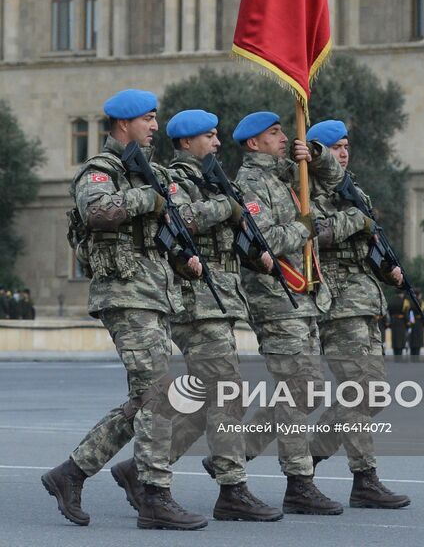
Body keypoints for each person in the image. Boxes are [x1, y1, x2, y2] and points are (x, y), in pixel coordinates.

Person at [42, 89, 208, 531]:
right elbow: (97, 213)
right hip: (124, 295)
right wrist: (146, 200)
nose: (155, 127)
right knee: (159, 395)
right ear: (123, 124)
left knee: (145, 399)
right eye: (149, 119)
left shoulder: (148, 173)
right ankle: (155, 496)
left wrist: (183, 259)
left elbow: (166, 227)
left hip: (153, 295)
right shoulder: (100, 171)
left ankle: (71, 473)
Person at [111, 108, 281, 522]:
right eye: (209, 137)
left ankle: (141, 468)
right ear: (187, 143)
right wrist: (226, 207)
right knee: (224, 393)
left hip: (220, 301)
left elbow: (227, 243)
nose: (217, 143)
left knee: (211, 397)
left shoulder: (212, 183)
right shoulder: (176, 179)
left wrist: (256, 251)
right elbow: (179, 219)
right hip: (195, 302)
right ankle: (230, 487)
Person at [231, 110, 344, 516]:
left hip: (304, 297)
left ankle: (237, 453)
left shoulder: (287, 172)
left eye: (282, 130)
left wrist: (313, 152)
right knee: (301, 386)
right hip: (275, 297)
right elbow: (264, 240)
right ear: (252, 143)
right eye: (274, 133)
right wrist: (305, 226)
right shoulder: (249, 183)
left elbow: (335, 181)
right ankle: (299, 482)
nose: (283, 137)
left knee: (304, 388)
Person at [305, 118, 410, 509]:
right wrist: (357, 219)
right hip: (338, 303)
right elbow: (314, 234)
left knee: (373, 393)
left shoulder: (353, 190)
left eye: (347, 145)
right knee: (360, 391)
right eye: (335, 147)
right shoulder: (308, 190)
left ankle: (306, 464)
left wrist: (388, 268)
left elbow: (368, 240)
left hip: (365, 301)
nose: (344, 153)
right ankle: (364, 479)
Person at [387, 290, 412, 356]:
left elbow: (389, 312)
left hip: (394, 321)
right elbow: (406, 313)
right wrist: (407, 322)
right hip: (401, 322)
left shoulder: (391, 301)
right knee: (400, 339)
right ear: (402, 294)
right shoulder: (405, 302)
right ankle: (399, 354)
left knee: (395, 338)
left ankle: (395, 354)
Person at [408, 289, 424, 357]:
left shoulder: (410, 302)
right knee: (419, 338)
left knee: (413, 338)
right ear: (419, 295)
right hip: (419, 322)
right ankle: (417, 353)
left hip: (412, 322)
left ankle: (412, 353)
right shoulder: (422, 303)